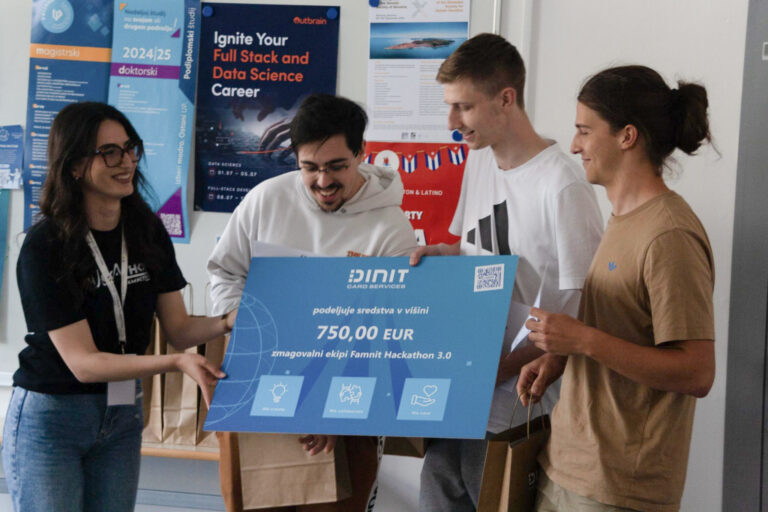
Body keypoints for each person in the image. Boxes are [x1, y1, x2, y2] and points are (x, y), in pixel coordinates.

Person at [1, 102, 236, 512]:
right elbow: (84, 364)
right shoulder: (46, 246)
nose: (126, 161)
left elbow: (179, 329)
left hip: (122, 412)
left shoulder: (146, 231)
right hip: (54, 416)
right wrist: (176, 363)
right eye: (109, 152)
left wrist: (229, 320)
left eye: (130, 148)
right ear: (75, 166)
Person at [410, 33, 604, 512]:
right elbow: (476, 250)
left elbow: (586, 310)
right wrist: (441, 257)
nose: (452, 123)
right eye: (450, 107)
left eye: (464, 107)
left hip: (517, 409)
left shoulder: (562, 185)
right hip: (458, 394)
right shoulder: (479, 161)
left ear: (506, 99)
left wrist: (494, 371)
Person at [517, 65, 716, 512]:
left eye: (584, 131)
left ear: (627, 136)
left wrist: (583, 340)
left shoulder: (669, 235)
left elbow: (697, 373)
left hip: (617, 487)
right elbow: (624, 329)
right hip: (567, 466)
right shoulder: (624, 218)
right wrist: (561, 357)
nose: (574, 146)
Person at [207, 93, 417, 512]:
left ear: (360, 153)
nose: (323, 181)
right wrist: (239, 317)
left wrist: (332, 411)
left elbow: (389, 330)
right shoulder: (266, 200)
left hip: (347, 408)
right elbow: (225, 272)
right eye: (310, 168)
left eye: (337, 166)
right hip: (262, 387)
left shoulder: (391, 228)